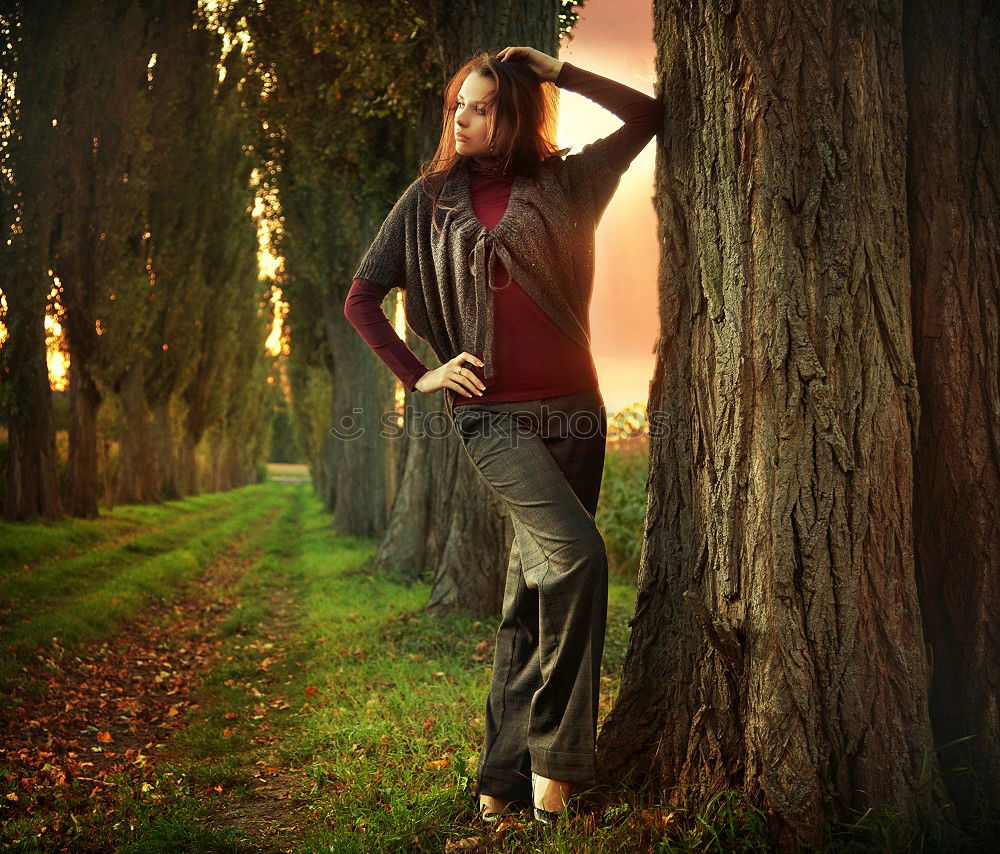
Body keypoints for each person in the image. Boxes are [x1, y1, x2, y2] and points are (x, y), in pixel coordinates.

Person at [345, 45, 663, 825]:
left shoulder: (568, 182)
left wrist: (559, 71)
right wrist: (418, 371)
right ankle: (557, 764)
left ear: (513, 112)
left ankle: (498, 783)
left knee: (531, 598)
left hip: (576, 414)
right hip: (491, 418)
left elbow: (649, 116)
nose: (461, 119)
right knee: (582, 556)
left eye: (480, 106)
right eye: (457, 104)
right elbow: (362, 295)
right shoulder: (426, 202)